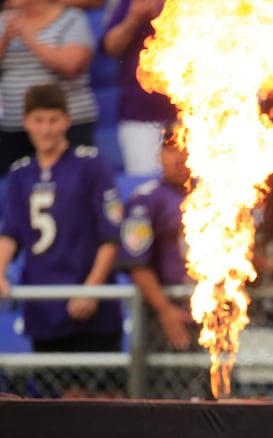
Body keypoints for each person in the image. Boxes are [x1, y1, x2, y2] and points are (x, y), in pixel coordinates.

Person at [0, 84, 124, 398]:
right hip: (44, 306)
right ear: (26, 121)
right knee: (61, 404)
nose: (46, 129)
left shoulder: (90, 165)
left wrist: (91, 289)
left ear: (67, 121)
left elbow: (111, 235)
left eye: (53, 120)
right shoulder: (19, 174)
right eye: (39, 120)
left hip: (92, 308)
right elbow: (10, 233)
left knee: (104, 402)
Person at [116, 124, 212, 400]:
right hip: (170, 313)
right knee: (169, 399)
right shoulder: (145, 200)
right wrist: (165, 309)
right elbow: (137, 264)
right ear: (160, 155)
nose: (180, 157)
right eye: (172, 149)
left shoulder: (221, 194)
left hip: (215, 312)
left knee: (220, 399)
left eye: (186, 148)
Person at [0, 0, 99, 175]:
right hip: (14, 126)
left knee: (72, 185)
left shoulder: (72, 18)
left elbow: (72, 65)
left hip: (67, 126)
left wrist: (29, 38)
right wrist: (5, 38)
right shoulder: (4, 21)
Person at [101, 0, 178, 176]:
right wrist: (134, 19)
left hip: (195, 114)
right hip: (141, 115)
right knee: (145, 185)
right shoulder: (129, 3)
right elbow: (110, 47)